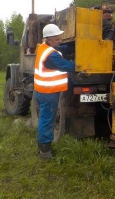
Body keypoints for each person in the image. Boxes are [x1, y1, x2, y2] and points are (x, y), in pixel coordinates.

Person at [34, 23, 75, 159]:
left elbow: (59, 48)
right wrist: (84, 61)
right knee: (47, 120)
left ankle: (42, 148)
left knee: (44, 119)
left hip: (42, 91)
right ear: (49, 39)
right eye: (57, 39)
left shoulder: (43, 47)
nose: (60, 41)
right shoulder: (51, 56)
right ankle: (45, 152)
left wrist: (70, 46)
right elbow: (68, 66)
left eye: (59, 38)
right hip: (48, 92)